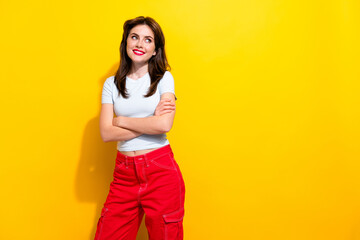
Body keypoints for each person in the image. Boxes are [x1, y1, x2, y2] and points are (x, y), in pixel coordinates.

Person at [94, 16, 185, 240]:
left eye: (147, 40)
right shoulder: (111, 84)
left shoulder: (164, 78)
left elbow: (164, 124)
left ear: (155, 49)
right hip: (124, 175)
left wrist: (121, 120)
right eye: (134, 37)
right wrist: (149, 121)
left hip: (161, 171)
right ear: (126, 42)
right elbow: (106, 133)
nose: (139, 44)